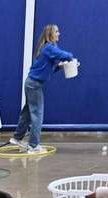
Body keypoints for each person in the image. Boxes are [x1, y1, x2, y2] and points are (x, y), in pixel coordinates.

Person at [10, 24, 74, 154]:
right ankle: (33, 145)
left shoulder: (48, 48)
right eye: (57, 31)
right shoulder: (49, 48)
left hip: (31, 83)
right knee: (37, 115)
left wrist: (59, 67)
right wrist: (71, 58)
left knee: (27, 112)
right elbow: (66, 55)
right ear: (50, 34)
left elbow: (46, 70)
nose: (59, 34)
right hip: (34, 85)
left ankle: (17, 138)